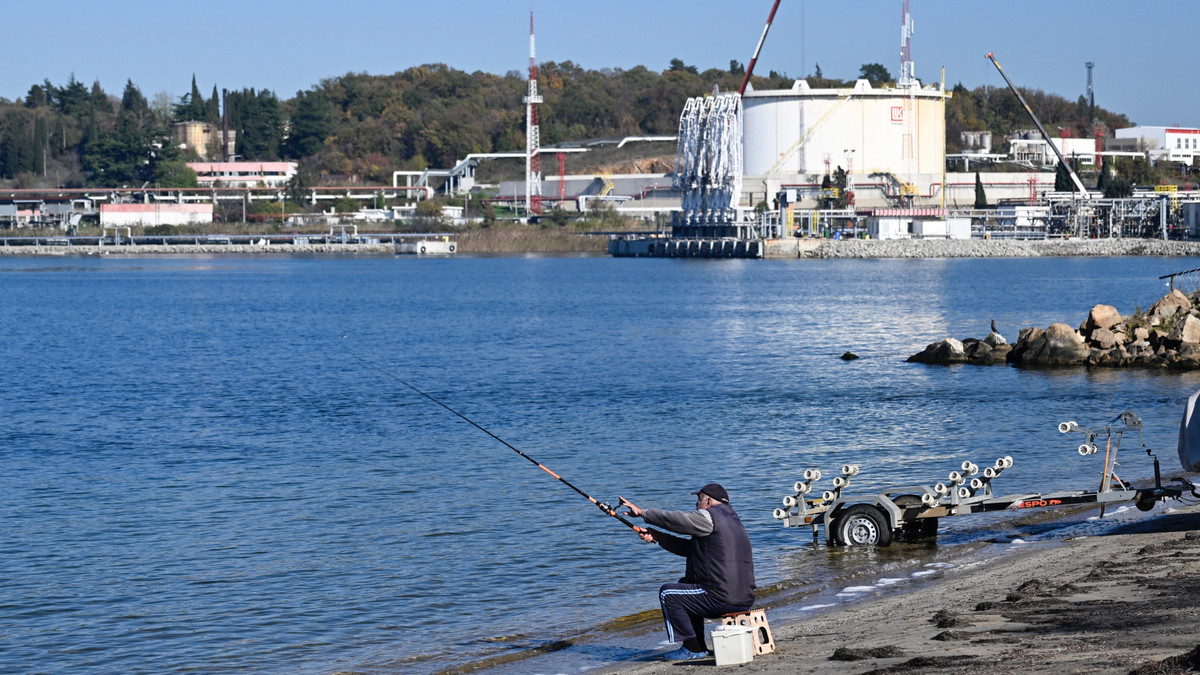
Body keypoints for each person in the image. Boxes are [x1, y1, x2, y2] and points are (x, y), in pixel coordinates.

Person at [619, 483, 755, 661]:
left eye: (698, 500)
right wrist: (659, 537)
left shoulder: (708, 516)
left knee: (668, 593)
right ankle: (698, 646)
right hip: (745, 598)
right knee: (685, 585)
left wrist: (643, 513)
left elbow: (678, 520)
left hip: (721, 597)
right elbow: (691, 550)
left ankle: (692, 649)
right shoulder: (734, 521)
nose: (696, 506)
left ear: (708, 502)